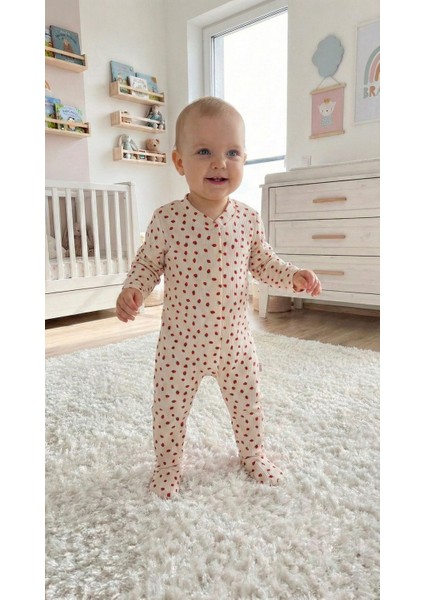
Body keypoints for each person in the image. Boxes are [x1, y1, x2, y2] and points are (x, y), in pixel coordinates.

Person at [116, 97, 321, 499]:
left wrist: (293, 276)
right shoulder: (167, 219)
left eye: (232, 153)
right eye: (204, 152)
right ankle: (168, 466)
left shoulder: (247, 219)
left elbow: (264, 263)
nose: (219, 163)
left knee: (249, 403)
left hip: (235, 343)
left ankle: (253, 453)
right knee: (169, 409)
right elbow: (147, 264)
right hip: (180, 344)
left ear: (244, 159)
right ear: (179, 162)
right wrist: (133, 289)